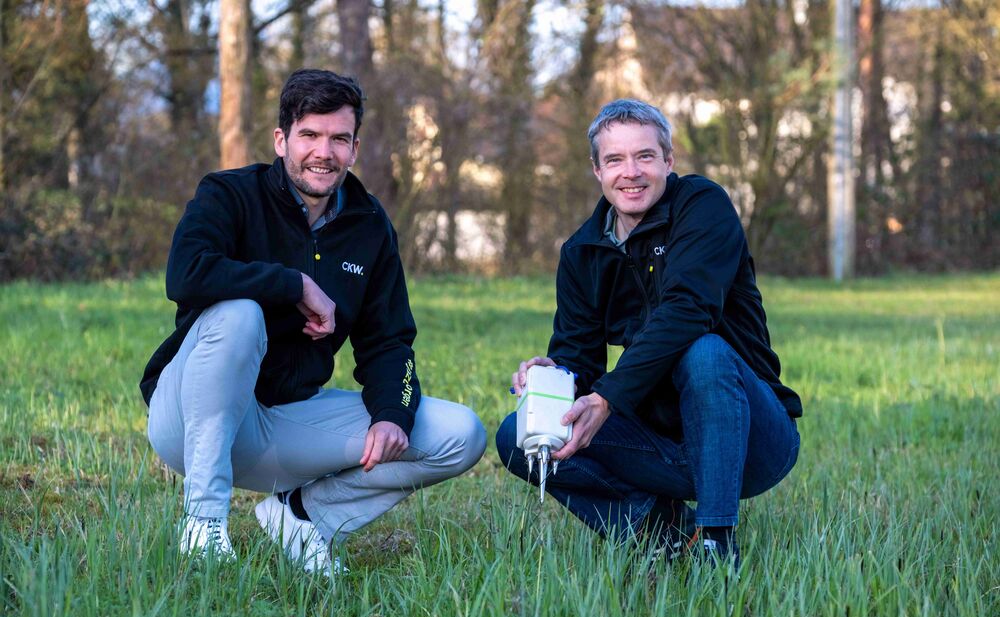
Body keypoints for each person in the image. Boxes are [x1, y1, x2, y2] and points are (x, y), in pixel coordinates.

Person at [140, 69, 486, 575]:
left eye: (339, 139)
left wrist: (392, 413)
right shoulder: (230, 194)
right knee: (240, 314)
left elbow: (389, 341)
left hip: (285, 422)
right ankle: (204, 523)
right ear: (281, 140)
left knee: (461, 434)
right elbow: (186, 274)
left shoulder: (370, 225)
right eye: (309, 135)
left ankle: (302, 516)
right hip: (189, 421)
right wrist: (294, 285)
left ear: (355, 148)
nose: (324, 152)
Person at [496, 99, 802, 569]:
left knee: (704, 351)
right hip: (655, 444)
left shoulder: (702, 205)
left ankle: (717, 544)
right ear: (597, 170)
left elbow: (688, 310)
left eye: (644, 156)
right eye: (615, 159)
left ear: (668, 161)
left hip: (750, 442)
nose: (631, 173)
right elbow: (579, 358)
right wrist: (554, 375)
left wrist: (608, 398)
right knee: (519, 435)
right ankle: (667, 531)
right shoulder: (582, 252)